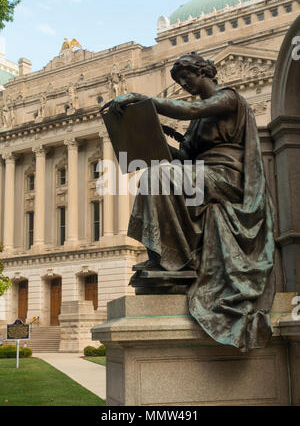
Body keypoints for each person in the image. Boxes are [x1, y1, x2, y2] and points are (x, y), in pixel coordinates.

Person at [105, 52, 275, 352]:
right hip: (201, 174)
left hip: (228, 177)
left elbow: (187, 112)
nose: (185, 84)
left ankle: (173, 256)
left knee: (162, 178)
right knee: (152, 175)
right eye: (180, 81)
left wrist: (144, 101)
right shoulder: (197, 123)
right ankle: (165, 255)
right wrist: (150, 140)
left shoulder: (228, 98)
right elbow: (183, 158)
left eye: (187, 77)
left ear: (205, 71)